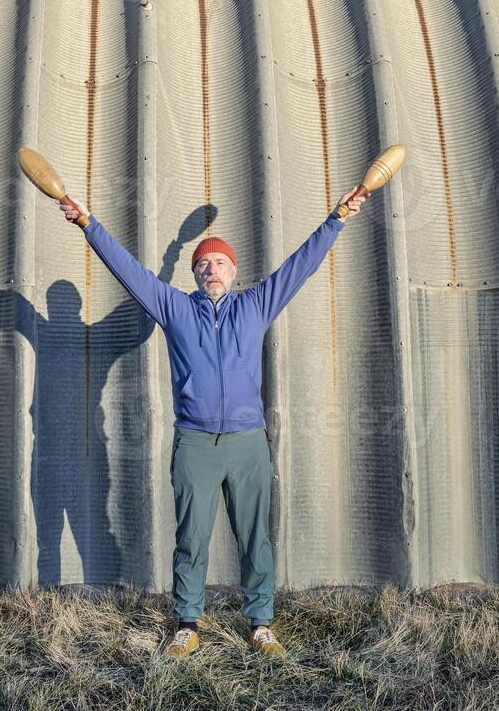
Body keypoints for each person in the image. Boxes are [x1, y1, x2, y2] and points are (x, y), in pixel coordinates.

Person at [56, 184, 368, 658]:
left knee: (254, 535)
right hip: (196, 441)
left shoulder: (256, 305)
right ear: (195, 275)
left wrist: (337, 219)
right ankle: (187, 622)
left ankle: (261, 623)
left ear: (234, 271)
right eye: (203, 263)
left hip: (247, 441)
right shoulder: (175, 308)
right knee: (191, 536)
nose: (211, 268)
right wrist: (87, 223)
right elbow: (128, 271)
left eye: (219, 262)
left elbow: (300, 265)